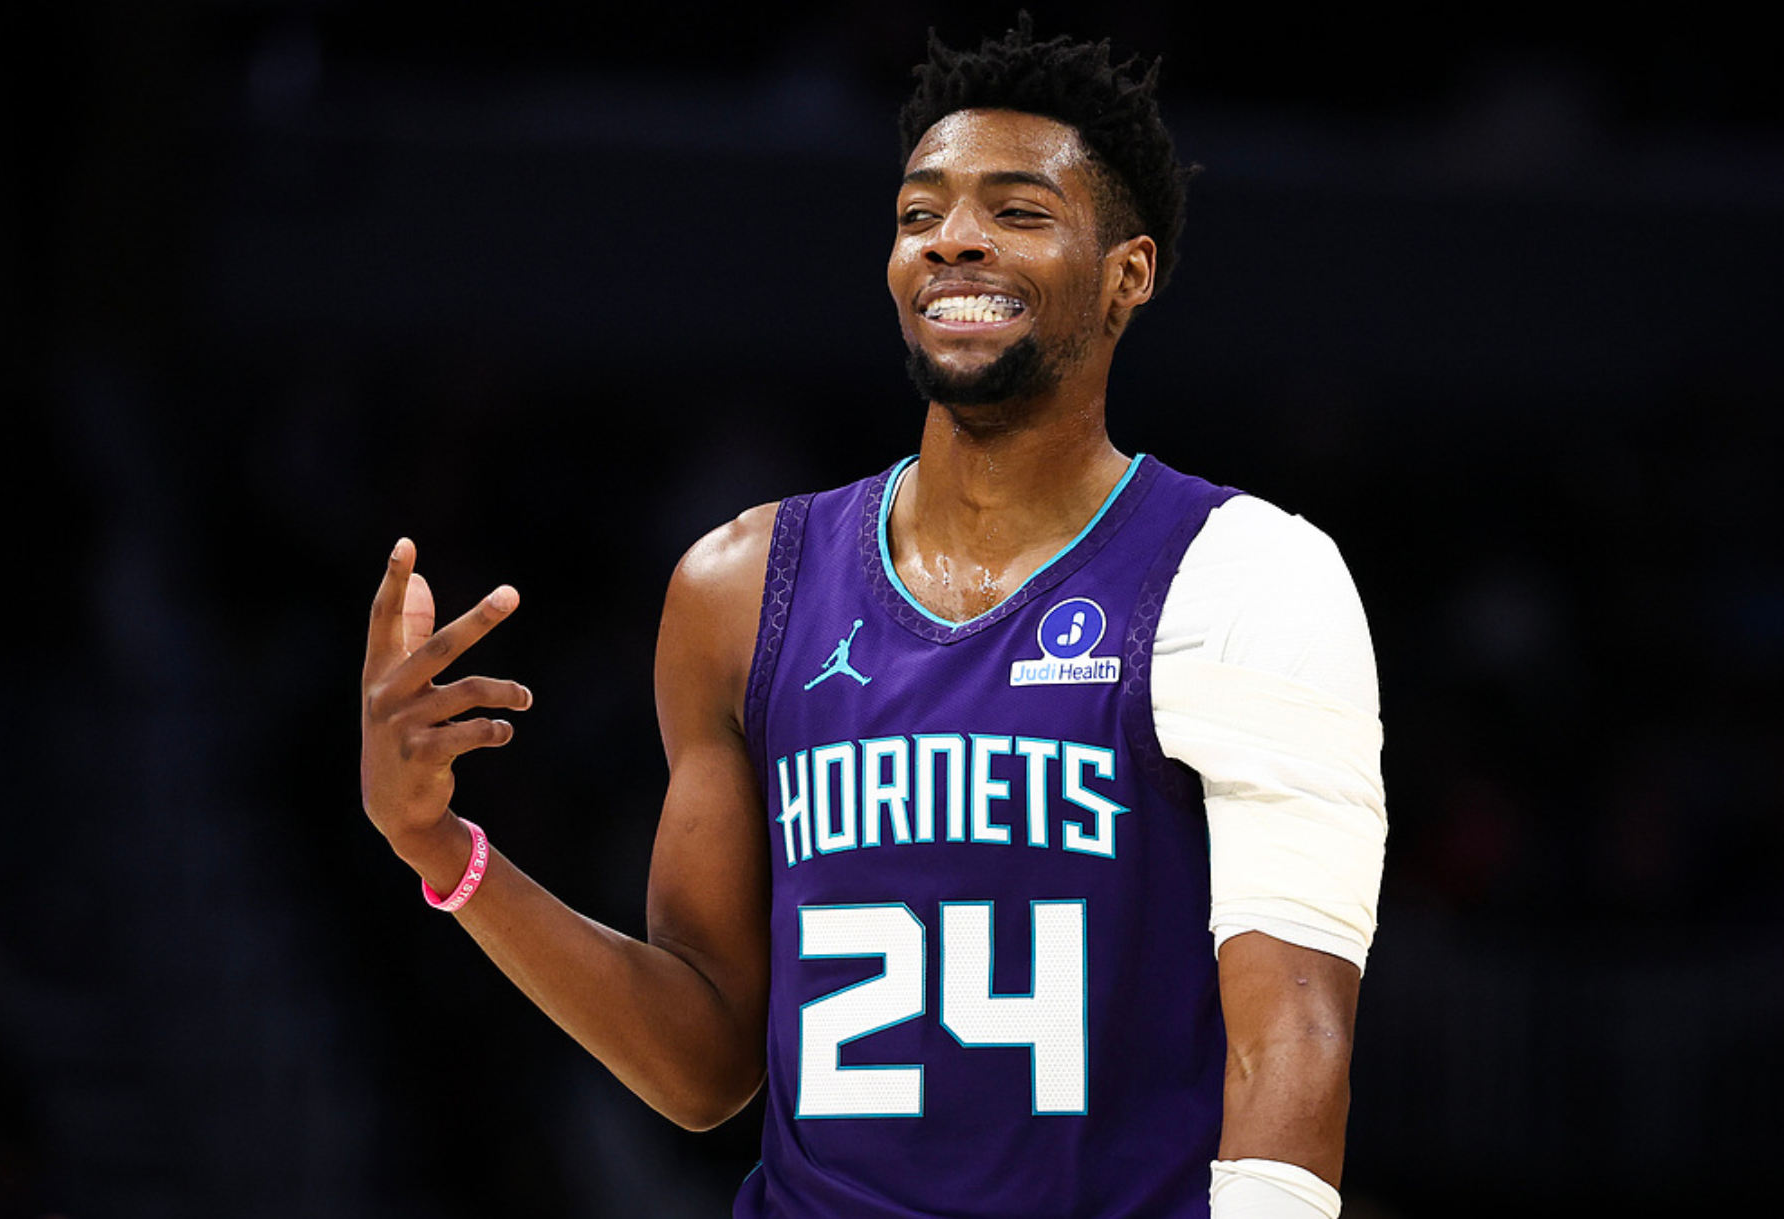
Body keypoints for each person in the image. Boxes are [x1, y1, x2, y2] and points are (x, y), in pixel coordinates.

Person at [360, 18, 1385, 1219]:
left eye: (1017, 211)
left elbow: (1292, 1041)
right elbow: (702, 1065)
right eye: (919, 213)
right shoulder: (738, 589)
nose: (953, 238)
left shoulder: (1243, 574)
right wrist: (443, 851)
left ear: (1128, 274)